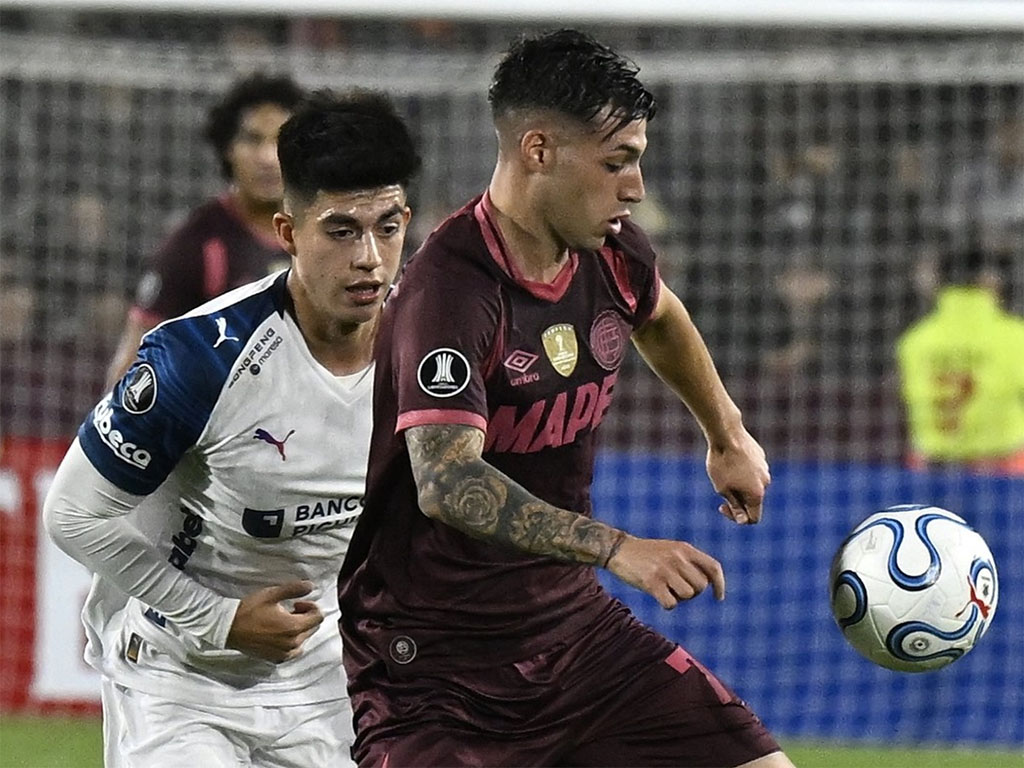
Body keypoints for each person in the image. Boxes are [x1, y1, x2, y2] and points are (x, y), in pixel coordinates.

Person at [338, 29, 795, 768]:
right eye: (617, 162)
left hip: (576, 637)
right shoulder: (450, 291)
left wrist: (727, 433)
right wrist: (618, 548)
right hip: (434, 671)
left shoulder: (614, 253)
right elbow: (447, 481)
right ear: (539, 150)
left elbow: (661, 315)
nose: (635, 187)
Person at [43, 89, 420, 766]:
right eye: (341, 231)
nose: (369, 257)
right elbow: (72, 515)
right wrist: (220, 619)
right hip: (179, 677)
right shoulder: (201, 356)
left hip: (328, 684)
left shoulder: (436, 354)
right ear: (288, 233)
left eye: (386, 228)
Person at [105, 72, 305, 387]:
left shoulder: (322, 233)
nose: (268, 157)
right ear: (228, 148)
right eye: (253, 140)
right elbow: (128, 371)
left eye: (280, 140)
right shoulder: (196, 244)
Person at [897, 246, 1024, 474]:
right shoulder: (1016, 336)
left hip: (931, 472)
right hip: (1002, 471)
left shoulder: (915, 340)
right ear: (990, 281)